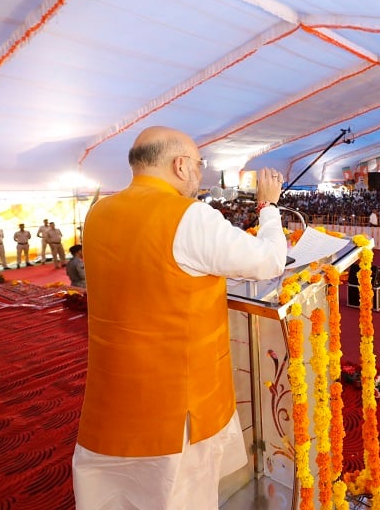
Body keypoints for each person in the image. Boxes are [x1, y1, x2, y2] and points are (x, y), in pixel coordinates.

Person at [72, 126, 287, 509]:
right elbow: (268, 261)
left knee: (122, 498)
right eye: (199, 164)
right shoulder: (189, 216)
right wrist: (268, 208)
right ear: (181, 165)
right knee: (178, 496)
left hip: (114, 396)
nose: (200, 173)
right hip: (177, 405)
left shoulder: (98, 212)